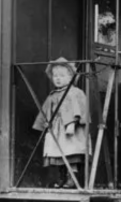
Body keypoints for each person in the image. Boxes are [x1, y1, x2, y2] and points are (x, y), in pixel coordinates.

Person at [33, 57, 90, 188]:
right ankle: (62, 178)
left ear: (70, 77)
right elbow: (47, 110)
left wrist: (72, 123)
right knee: (58, 154)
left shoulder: (75, 93)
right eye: (55, 75)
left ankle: (72, 179)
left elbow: (79, 109)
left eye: (62, 75)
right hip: (56, 129)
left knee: (70, 153)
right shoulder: (53, 94)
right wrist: (45, 123)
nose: (58, 78)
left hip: (70, 129)